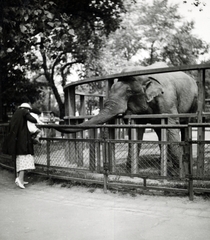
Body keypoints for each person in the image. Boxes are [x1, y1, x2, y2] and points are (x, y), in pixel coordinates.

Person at [2, 103, 38, 189]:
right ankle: (20, 179)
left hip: (16, 141)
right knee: (24, 159)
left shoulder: (16, 113)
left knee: (19, 160)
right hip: (22, 141)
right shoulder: (24, 112)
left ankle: (20, 179)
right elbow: (33, 120)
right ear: (27, 109)